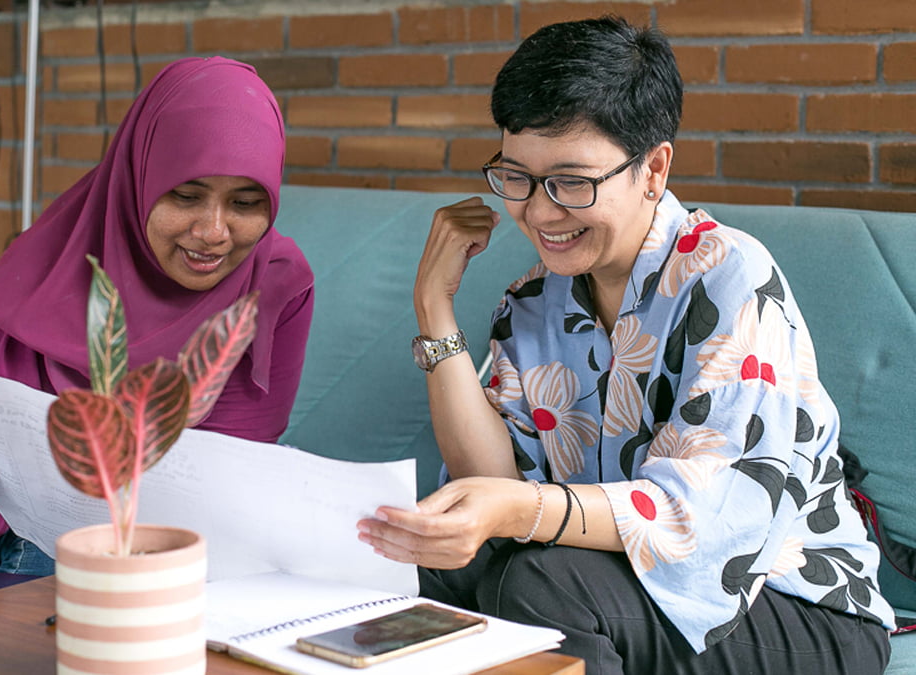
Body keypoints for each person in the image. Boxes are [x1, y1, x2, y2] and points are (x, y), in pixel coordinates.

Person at [356, 17, 894, 674]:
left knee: (540, 584)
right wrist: (434, 308)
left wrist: (517, 511)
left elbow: (703, 522)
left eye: (572, 181)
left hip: (789, 604)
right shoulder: (531, 302)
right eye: (517, 177)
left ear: (653, 169)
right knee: (423, 573)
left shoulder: (730, 279)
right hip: (613, 584)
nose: (541, 211)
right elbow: (495, 487)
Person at [0, 56, 314, 576]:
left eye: (246, 203)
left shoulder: (277, 280)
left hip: (176, 555)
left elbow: (235, 462)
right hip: (18, 550)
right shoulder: (46, 271)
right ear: (139, 178)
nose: (214, 232)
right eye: (186, 195)